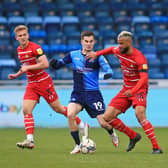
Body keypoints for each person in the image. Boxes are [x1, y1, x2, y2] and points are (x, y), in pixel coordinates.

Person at [8, 25, 88, 149]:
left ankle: (81, 123)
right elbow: (25, 66)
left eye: (24, 34)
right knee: (26, 110)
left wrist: (28, 68)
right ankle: (30, 140)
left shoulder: (36, 48)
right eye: (20, 36)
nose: (23, 37)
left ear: (28, 35)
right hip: (32, 84)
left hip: (44, 82)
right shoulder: (19, 50)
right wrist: (17, 74)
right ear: (16, 38)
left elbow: (45, 64)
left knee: (58, 109)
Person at [86, 30, 163, 154]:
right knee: (107, 117)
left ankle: (156, 148)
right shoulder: (118, 50)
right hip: (126, 89)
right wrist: (97, 54)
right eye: (118, 43)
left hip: (139, 89)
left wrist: (133, 90)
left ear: (129, 42)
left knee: (140, 114)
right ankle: (133, 136)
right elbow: (111, 49)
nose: (119, 46)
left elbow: (144, 78)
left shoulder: (139, 58)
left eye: (122, 44)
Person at [50, 30, 119, 154]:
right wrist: (55, 64)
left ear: (94, 42)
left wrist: (108, 73)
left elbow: (108, 69)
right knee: (70, 114)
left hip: (93, 94)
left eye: (91, 41)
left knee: (103, 123)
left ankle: (112, 132)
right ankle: (77, 145)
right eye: (86, 41)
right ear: (82, 41)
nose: (88, 44)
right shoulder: (73, 55)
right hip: (78, 93)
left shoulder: (98, 56)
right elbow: (60, 63)